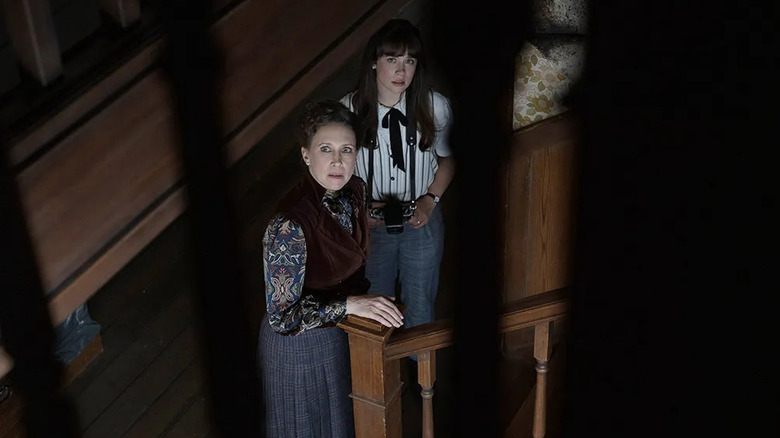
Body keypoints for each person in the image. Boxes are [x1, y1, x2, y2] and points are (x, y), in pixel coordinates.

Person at [257, 99, 405, 438]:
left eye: (346, 150)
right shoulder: (288, 226)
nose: (338, 161)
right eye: (326, 149)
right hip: (299, 348)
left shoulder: (355, 189)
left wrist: (407, 211)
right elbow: (283, 317)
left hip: (342, 333)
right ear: (306, 154)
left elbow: (348, 233)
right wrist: (353, 304)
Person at [340, 18, 455, 334]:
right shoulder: (349, 110)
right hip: (370, 226)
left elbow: (447, 159)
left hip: (421, 220)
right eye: (392, 60)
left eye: (409, 61)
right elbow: (337, 174)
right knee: (375, 308)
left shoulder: (434, 106)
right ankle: (382, 380)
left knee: (420, 308)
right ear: (375, 63)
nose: (401, 71)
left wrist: (430, 201)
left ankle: (423, 382)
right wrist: (360, 211)